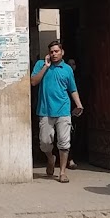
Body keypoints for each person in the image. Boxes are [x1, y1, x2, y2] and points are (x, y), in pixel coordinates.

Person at [30, 40, 84, 183]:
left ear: (62, 52)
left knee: (64, 143)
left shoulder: (67, 69)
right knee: (45, 142)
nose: (54, 54)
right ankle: (50, 158)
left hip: (63, 110)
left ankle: (62, 172)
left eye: (56, 51)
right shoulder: (40, 65)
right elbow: (33, 82)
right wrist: (45, 67)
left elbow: (72, 89)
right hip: (45, 110)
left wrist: (79, 104)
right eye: (51, 52)